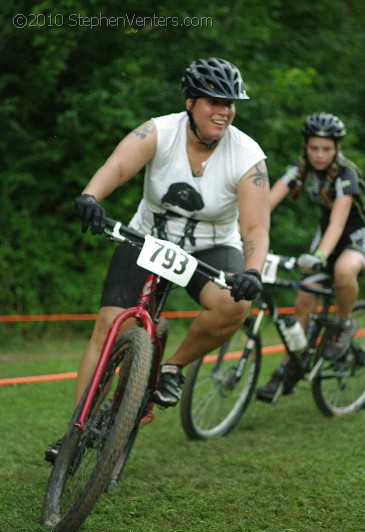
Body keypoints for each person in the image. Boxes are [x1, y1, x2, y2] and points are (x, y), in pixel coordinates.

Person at [45, 57, 270, 462]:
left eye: (231, 103)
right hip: (147, 238)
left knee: (235, 304)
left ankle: (172, 367)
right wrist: (91, 196)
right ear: (190, 102)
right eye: (213, 101)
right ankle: (75, 433)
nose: (224, 110)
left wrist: (252, 272)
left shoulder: (247, 155)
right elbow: (117, 165)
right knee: (110, 326)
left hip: (210, 246)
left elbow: (255, 228)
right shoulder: (159, 130)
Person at [256, 112, 365, 403]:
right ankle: (291, 363)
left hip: (355, 237)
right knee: (303, 302)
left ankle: (344, 323)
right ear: (306, 146)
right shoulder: (301, 169)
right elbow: (266, 203)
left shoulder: (346, 173)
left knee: (343, 271)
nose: (319, 155)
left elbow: (338, 223)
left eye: (326, 149)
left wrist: (318, 255)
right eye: (314, 148)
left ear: (336, 149)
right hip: (326, 236)